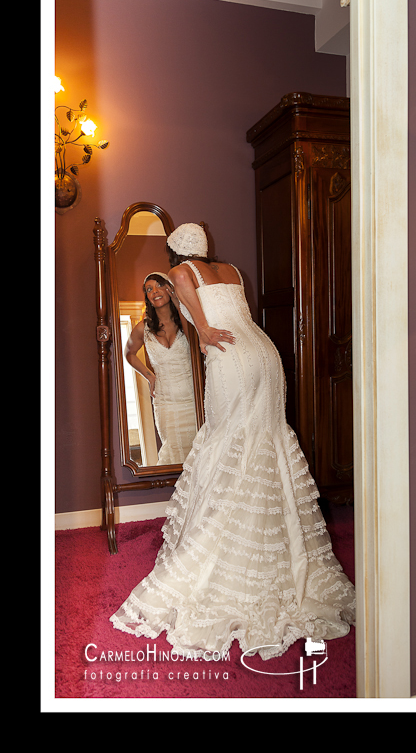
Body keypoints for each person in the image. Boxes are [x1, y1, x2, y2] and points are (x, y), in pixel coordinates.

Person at [111, 224, 355, 660]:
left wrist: (203, 331)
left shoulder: (182, 272)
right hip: (265, 352)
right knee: (267, 441)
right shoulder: (233, 271)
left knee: (228, 443)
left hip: (231, 357)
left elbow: (203, 328)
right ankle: (282, 549)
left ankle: (229, 547)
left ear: (176, 253)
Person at [124, 272, 197, 465]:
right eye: (149, 289)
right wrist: (150, 376)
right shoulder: (143, 328)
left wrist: (178, 302)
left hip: (193, 399)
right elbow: (129, 353)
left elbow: (197, 346)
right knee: (173, 453)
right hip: (165, 402)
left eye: (159, 285)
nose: (154, 291)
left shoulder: (187, 321)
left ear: (170, 288)